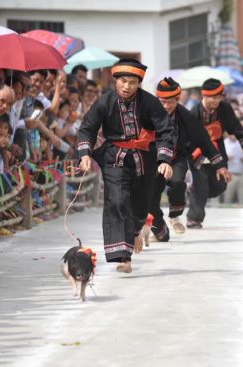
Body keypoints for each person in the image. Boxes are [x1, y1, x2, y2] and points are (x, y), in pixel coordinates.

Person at [77, 58, 174, 274]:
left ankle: (136, 229)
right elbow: (87, 128)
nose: (126, 86)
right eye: (123, 81)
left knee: (140, 208)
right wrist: (84, 155)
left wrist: (165, 159)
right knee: (117, 202)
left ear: (139, 83)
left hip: (144, 160)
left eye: (132, 82)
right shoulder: (105, 101)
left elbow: (166, 130)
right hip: (114, 159)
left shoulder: (150, 103)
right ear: (115, 81)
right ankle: (123, 257)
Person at [149, 77, 231, 240]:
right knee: (151, 194)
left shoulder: (185, 116)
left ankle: (175, 215)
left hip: (176, 158)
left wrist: (219, 164)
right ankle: (159, 229)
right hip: (153, 159)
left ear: (177, 100)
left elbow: (204, 141)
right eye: (162, 102)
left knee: (178, 183)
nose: (166, 106)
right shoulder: (148, 113)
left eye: (170, 102)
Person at [186, 78, 243, 229]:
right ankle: (194, 219)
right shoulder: (193, 114)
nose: (217, 101)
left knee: (220, 185)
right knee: (201, 186)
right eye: (213, 98)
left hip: (218, 150)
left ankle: (193, 192)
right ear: (204, 96)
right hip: (198, 154)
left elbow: (235, 126)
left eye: (219, 97)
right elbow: (187, 139)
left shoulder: (224, 108)